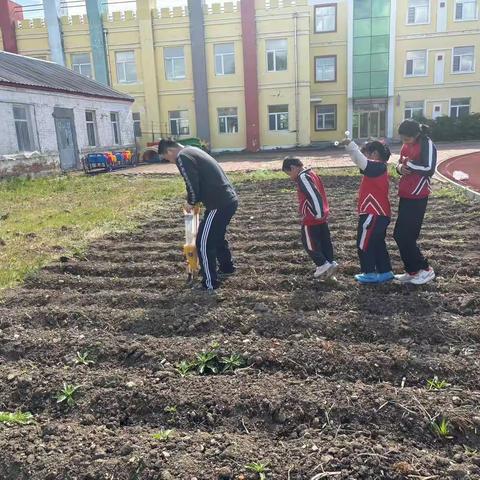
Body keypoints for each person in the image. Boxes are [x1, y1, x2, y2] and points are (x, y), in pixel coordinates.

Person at [159, 139, 238, 291]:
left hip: (218, 203)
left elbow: (191, 182)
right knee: (217, 237)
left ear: (169, 151)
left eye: (167, 158)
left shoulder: (182, 156)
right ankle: (227, 268)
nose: (170, 161)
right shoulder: (194, 150)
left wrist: (191, 201)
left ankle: (210, 283)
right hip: (229, 199)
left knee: (203, 242)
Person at [343, 138, 394, 284]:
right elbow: (359, 160)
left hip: (373, 212)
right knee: (377, 243)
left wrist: (350, 145)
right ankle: (385, 271)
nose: (362, 156)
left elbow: (360, 161)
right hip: (381, 214)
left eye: (365, 153)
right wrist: (349, 148)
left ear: (374, 154)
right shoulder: (379, 168)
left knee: (364, 243)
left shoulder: (377, 167)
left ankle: (369, 272)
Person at [394, 120, 437, 285]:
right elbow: (400, 163)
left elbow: (429, 169)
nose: (404, 142)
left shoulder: (427, 144)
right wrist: (400, 168)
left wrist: (409, 164)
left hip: (418, 196)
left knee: (407, 235)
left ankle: (425, 269)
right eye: (402, 139)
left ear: (416, 135)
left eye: (407, 139)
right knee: (399, 234)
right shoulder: (407, 145)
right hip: (405, 193)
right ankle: (412, 271)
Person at [282, 157, 338, 279]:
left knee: (309, 243)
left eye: (289, 173)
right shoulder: (312, 174)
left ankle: (322, 264)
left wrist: (317, 214)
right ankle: (329, 264)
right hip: (321, 216)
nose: (291, 177)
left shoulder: (303, 177)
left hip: (312, 217)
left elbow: (314, 195)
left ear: (293, 168)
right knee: (324, 242)